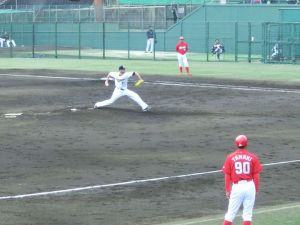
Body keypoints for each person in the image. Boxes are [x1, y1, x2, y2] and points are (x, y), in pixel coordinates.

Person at [222, 135, 263, 225]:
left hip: (237, 187)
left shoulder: (230, 157)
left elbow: (227, 175)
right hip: (250, 186)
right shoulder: (253, 157)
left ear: (236, 144)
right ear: (246, 144)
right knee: (247, 215)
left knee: (230, 215)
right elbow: (256, 175)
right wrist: (256, 189)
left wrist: (228, 190)